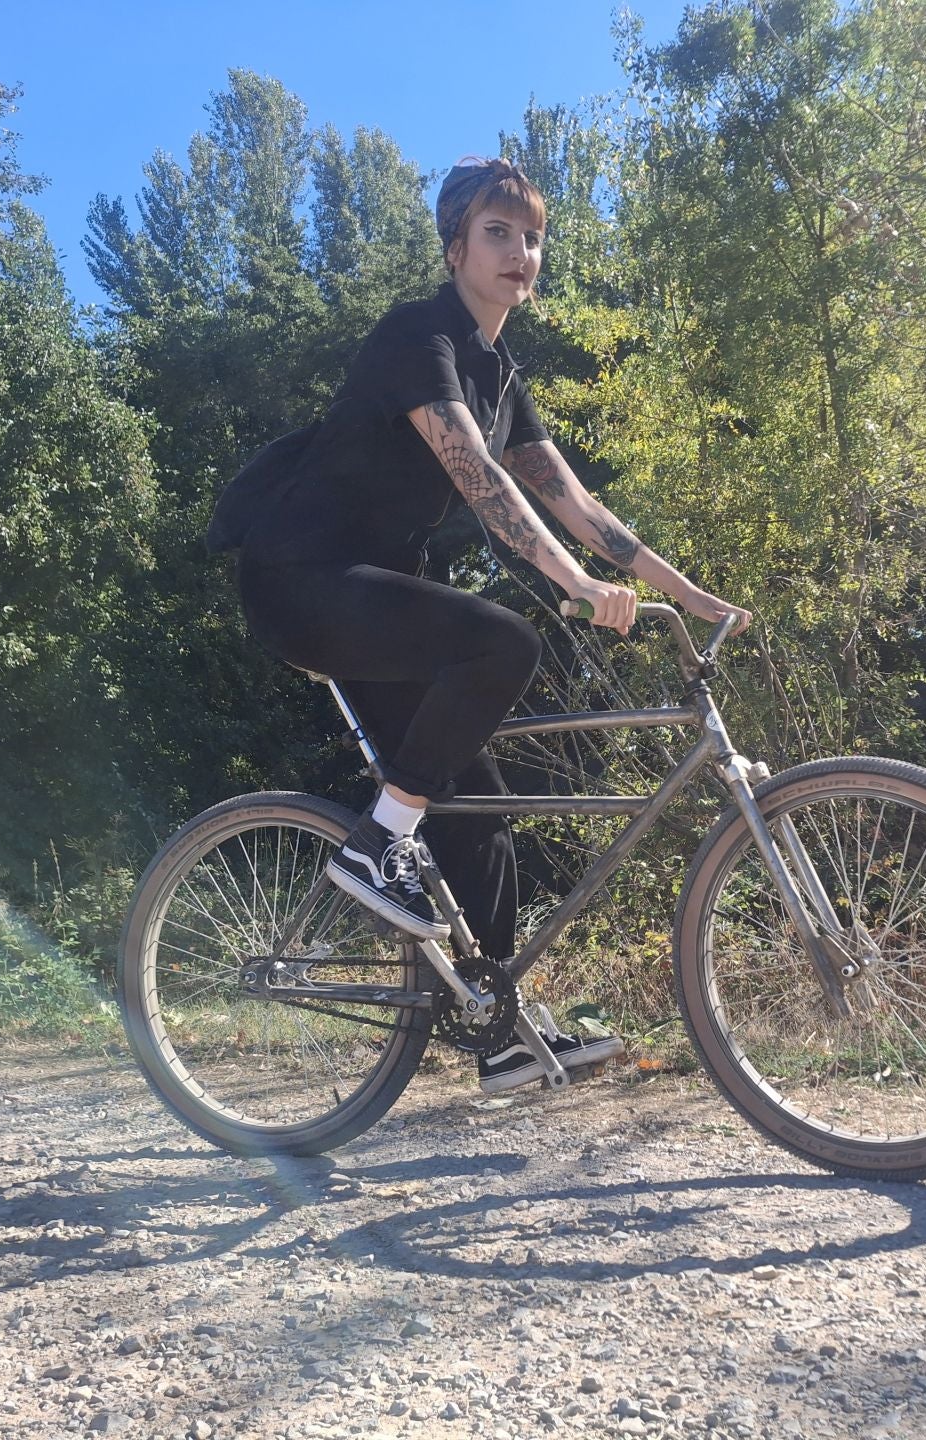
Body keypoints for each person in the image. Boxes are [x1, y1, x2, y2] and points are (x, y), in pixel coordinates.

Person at [232, 156, 749, 1092]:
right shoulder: (417, 336)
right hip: (303, 579)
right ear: (457, 246)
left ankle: (498, 1023)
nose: (522, 253)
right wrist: (576, 588)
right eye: (499, 233)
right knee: (504, 642)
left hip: (375, 594)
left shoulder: (500, 370)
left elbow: (573, 499)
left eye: (533, 236)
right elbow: (481, 477)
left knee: (480, 812)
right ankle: (373, 846)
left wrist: (692, 594)